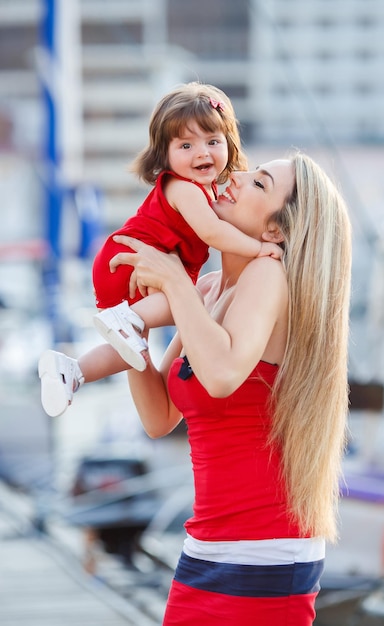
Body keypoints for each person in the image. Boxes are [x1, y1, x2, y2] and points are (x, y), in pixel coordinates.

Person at [108, 152, 352, 626]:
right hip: (209, 548)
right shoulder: (210, 288)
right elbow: (159, 417)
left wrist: (174, 282)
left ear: (277, 231)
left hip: (264, 555)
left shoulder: (269, 275)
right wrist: (127, 323)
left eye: (259, 184)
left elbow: (220, 377)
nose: (234, 179)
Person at [38, 82, 281, 418]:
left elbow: (160, 421)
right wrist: (259, 248)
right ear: (164, 155)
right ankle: (129, 320)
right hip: (130, 262)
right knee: (187, 302)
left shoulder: (203, 191)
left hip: (134, 266)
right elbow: (213, 233)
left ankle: (73, 371)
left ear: (230, 145)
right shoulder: (185, 188)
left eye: (213, 141)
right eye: (186, 145)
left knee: (131, 352)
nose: (202, 153)